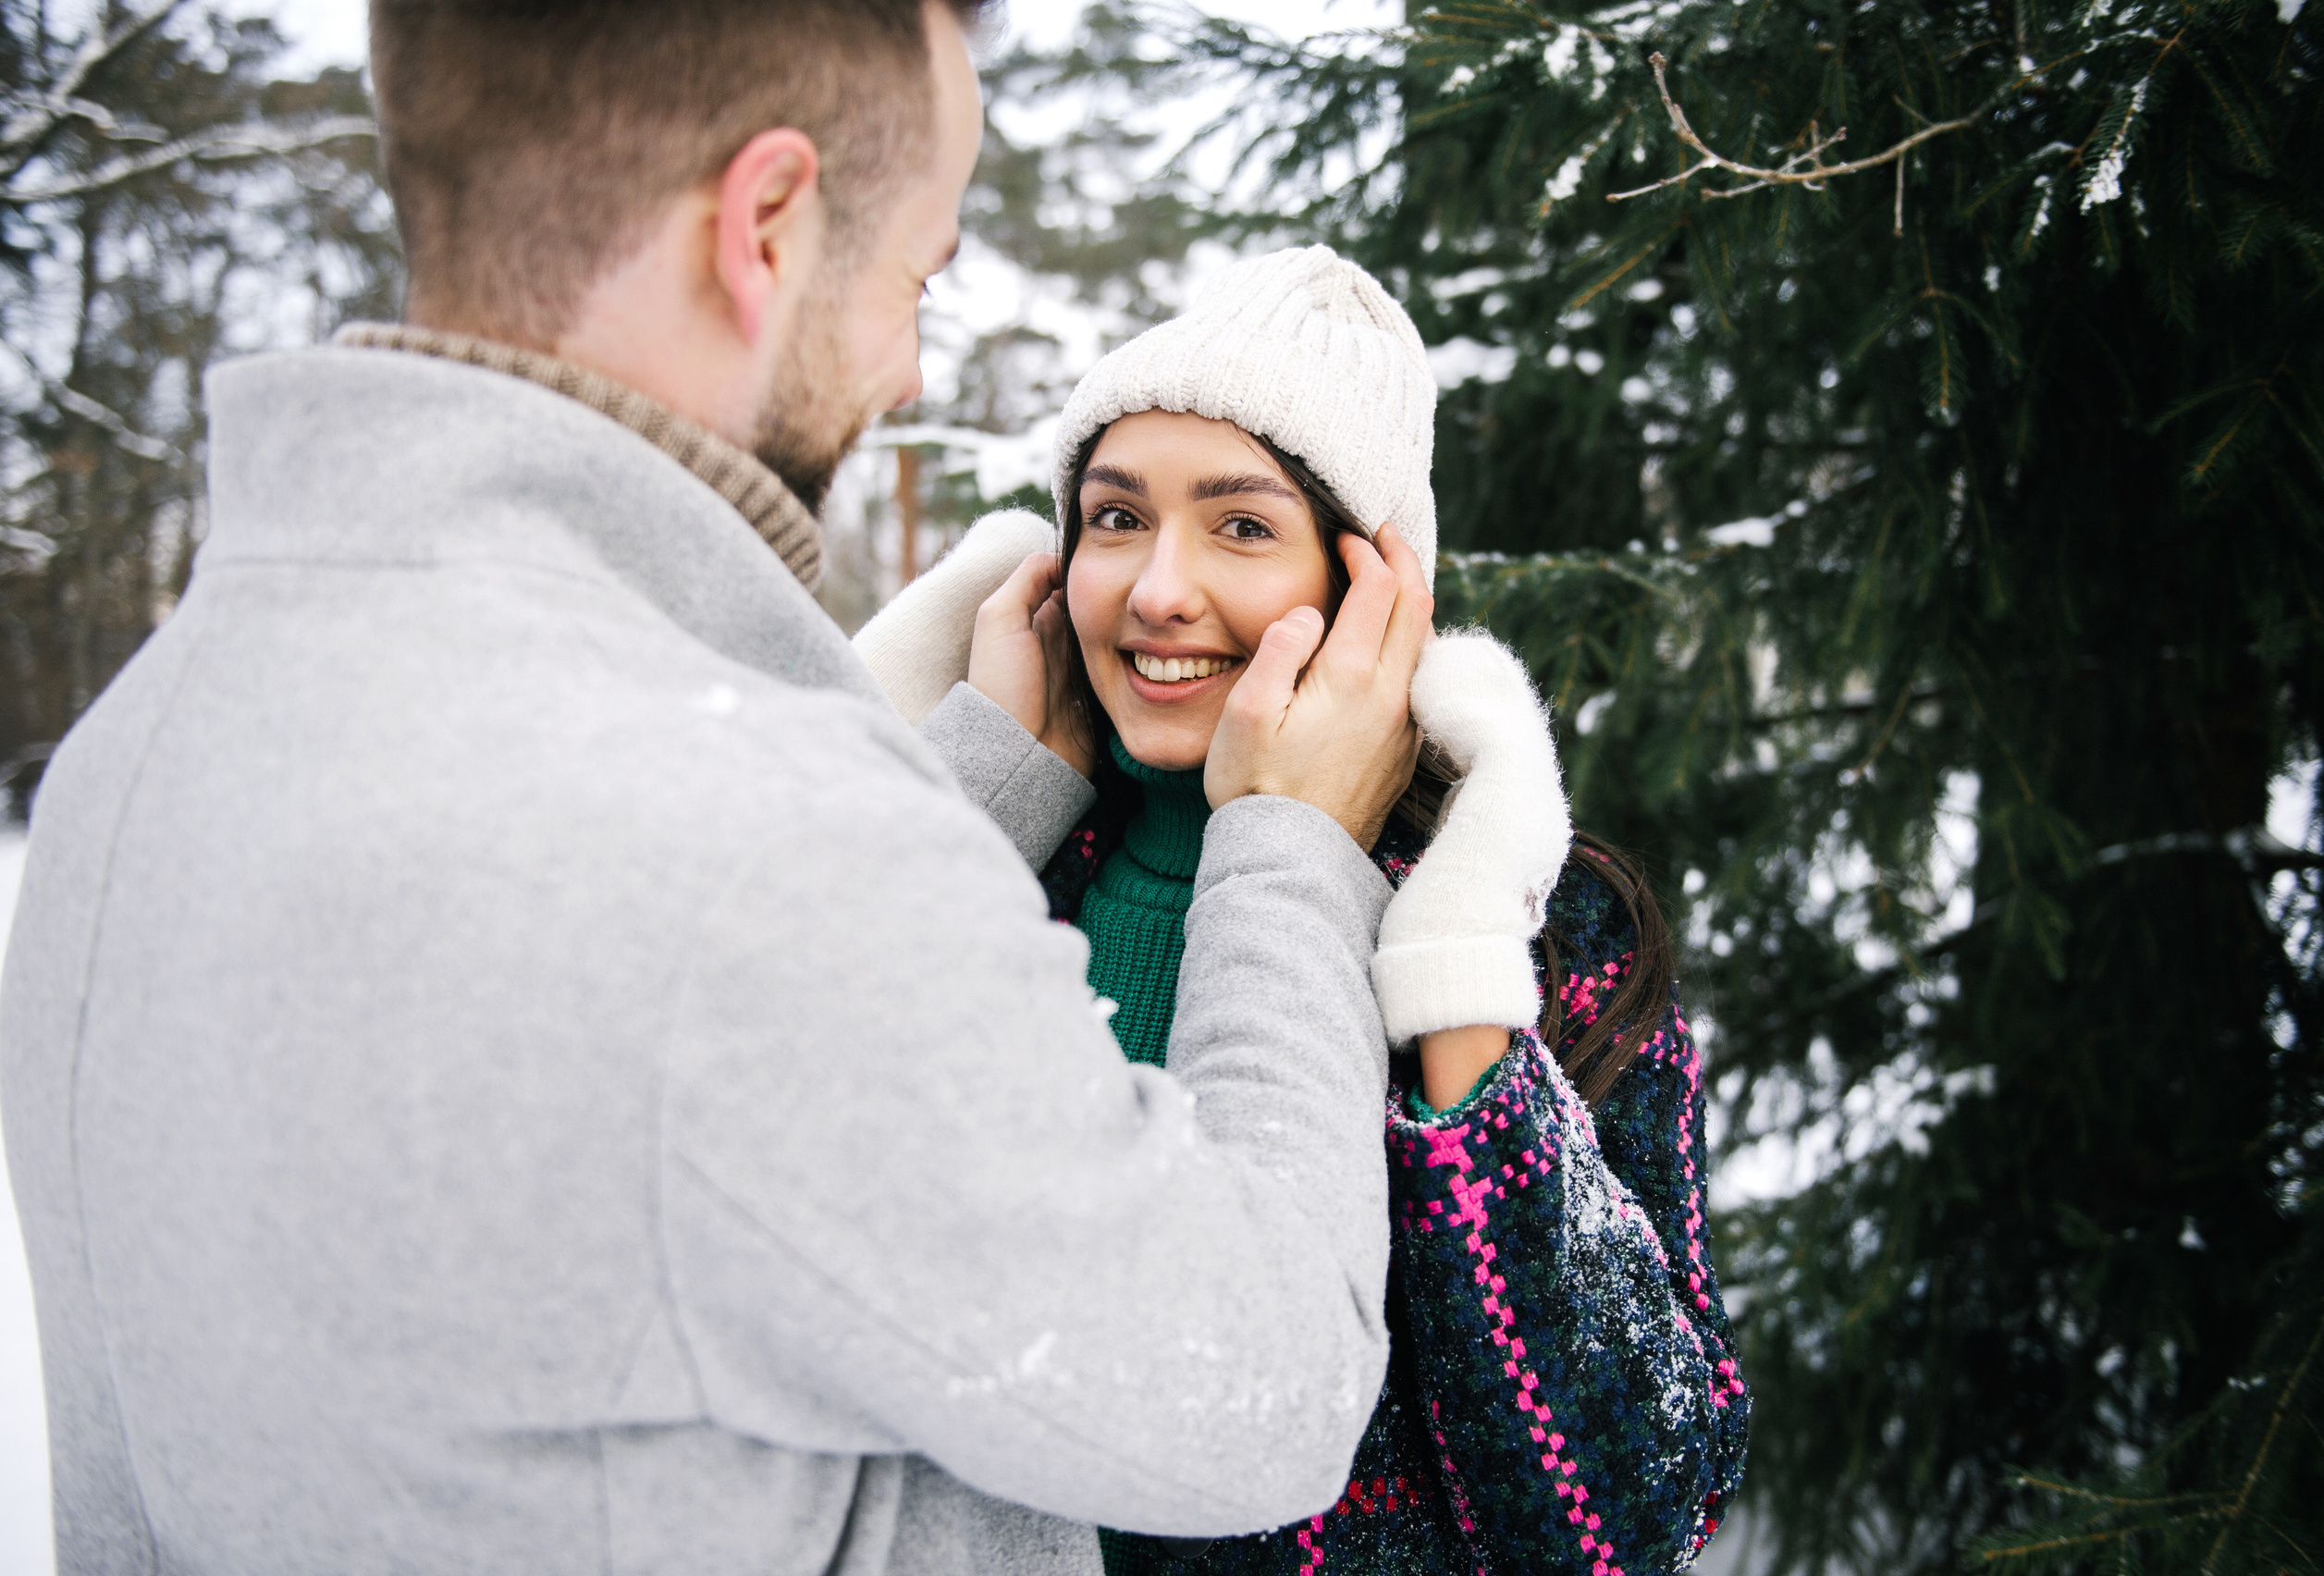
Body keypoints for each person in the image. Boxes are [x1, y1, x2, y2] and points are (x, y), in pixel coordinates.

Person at [0, 6, 1441, 1573]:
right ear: (767, 224)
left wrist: (960, 790)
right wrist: (1292, 848)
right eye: (919, 273)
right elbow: (1266, 1382)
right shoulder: (761, 856)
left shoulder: (139, 754)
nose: (904, 364)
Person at [855, 247, 1751, 1573]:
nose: (1158, 588)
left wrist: (1459, 1010)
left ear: (1370, 591)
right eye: (1114, 517)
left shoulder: (1532, 926)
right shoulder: (1013, 867)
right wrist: (982, 799)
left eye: (1242, 526)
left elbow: (1630, 1519)